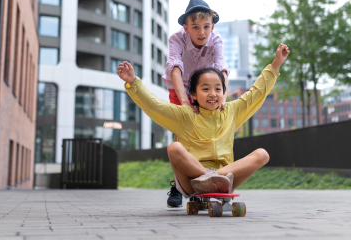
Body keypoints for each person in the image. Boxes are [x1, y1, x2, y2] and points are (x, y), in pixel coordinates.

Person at [117, 43, 290, 200]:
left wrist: (276, 64)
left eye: (218, 89)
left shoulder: (232, 112)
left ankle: (216, 177)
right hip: (192, 181)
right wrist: (133, 82)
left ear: (223, 92)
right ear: (193, 94)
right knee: (174, 148)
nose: (213, 94)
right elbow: (155, 106)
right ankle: (208, 177)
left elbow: (256, 93)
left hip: (225, 177)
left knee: (262, 154)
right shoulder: (185, 115)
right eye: (205, 89)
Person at [162, 0, 230, 207]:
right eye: (195, 27)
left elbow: (222, 69)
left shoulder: (216, 40)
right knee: (183, 133)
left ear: (212, 26)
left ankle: (204, 178)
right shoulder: (177, 39)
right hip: (180, 86)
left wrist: (222, 98)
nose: (201, 32)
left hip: (204, 88)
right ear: (186, 27)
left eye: (206, 27)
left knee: (204, 132)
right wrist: (184, 99)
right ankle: (177, 184)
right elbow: (175, 68)